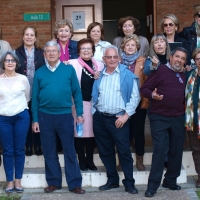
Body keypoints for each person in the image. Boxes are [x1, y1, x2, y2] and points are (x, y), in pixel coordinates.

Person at [31, 41, 85, 194]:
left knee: (69, 149)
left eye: (54, 51)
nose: (51, 53)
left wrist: (79, 114)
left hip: (65, 115)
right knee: (49, 151)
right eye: (48, 51)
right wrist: (35, 119)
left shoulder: (68, 70)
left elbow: (77, 93)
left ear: (59, 53)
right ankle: (54, 181)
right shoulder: (40, 72)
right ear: (44, 54)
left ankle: (74, 183)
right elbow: (35, 99)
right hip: (44, 116)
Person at [92, 45, 140, 194]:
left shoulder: (127, 75)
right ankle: (112, 180)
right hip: (100, 118)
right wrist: (95, 112)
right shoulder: (99, 75)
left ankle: (129, 183)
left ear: (119, 58)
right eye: (109, 57)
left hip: (119, 119)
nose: (112, 59)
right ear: (104, 59)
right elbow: (95, 95)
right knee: (105, 151)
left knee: (124, 152)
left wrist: (126, 116)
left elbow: (135, 97)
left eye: (114, 57)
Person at [141, 47, 187, 197]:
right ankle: (152, 186)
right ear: (171, 57)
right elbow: (145, 88)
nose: (179, 60)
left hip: (178, 117)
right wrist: (152, 95)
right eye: (177, 57)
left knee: (176, 149)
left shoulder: (183, 74)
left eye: (182, 59)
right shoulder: (160, 71)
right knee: (160, 149)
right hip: (159, 117)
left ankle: (170, 181)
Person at [68, 38, 104, 171]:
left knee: (91, 135)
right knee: (79, 134)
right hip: (78, 103)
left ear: (93, 51)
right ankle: (81, 161)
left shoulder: (100, 65)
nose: (86, 51)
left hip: (94, 104)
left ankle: (90, 160)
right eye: (83, 48)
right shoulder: (72, 64)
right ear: (78, 51)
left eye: (89, 48)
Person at [0, 51, 30, 193]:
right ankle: (10, 181)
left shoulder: (23, 79)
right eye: (7, 60)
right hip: (3, 118)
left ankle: (18, 180)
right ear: (3, 63)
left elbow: (27, 97)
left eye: (12, 60)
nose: (10, 62)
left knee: (19, 150)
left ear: (16, 63)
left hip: (21, 117)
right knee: (7, 151)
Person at [15, 26, 45, 156]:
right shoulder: (16, 52)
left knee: (37, 119)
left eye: (31, 35)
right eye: (26, 34)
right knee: (26, 120)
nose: (29, 37)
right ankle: (28, 145)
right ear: (23, 37)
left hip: (38, 92)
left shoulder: (41, 52)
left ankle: (38, 145)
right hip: (21, 93)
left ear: (35, 37)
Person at [120, 34, 148, 171]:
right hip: (121, 103)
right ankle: (122, 160)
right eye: (127, 45)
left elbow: (147, 81)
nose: (130, 47)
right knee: (123, 133)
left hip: (138, 103)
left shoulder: (143, 61)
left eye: (132, 45)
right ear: (123, 47)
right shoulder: (118, 62)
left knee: (138, 132)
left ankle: (139, 159)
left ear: (137, 47)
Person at [54, 19, 79, 152]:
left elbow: (84, 61)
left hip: (73, 83)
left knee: (72, 114)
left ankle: (72, 143)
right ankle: (59, 144)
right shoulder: (51, 47)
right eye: (61, 30)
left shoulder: (76, 46)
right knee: (58, 114)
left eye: (66, 30)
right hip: (57, 85)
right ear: (57, 33)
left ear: (70, 33)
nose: (64, 33)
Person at [185, 48, 200, 188]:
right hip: (192, 120)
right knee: (196, 150)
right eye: (198, 59)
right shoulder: (190, 75)